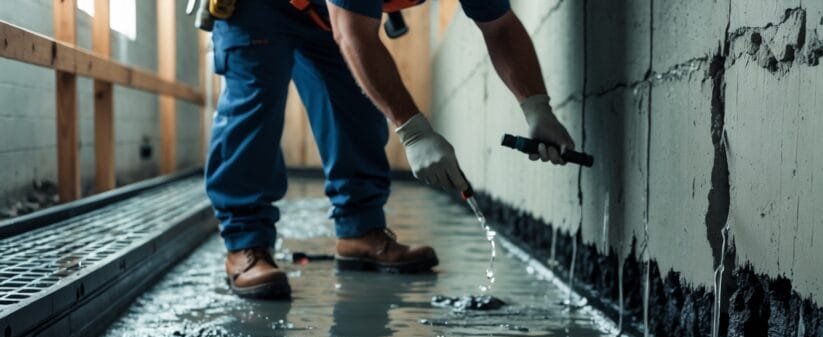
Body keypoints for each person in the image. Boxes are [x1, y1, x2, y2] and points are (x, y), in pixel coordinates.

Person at [206, 0, 577, 299]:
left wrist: (537, 108)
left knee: (358, 115)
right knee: (254, 113)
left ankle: (360, 232)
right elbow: (353, 35)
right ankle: (246, 245)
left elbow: (500, 26)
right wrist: (414, 131)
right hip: (259, 9)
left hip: (326, 13)